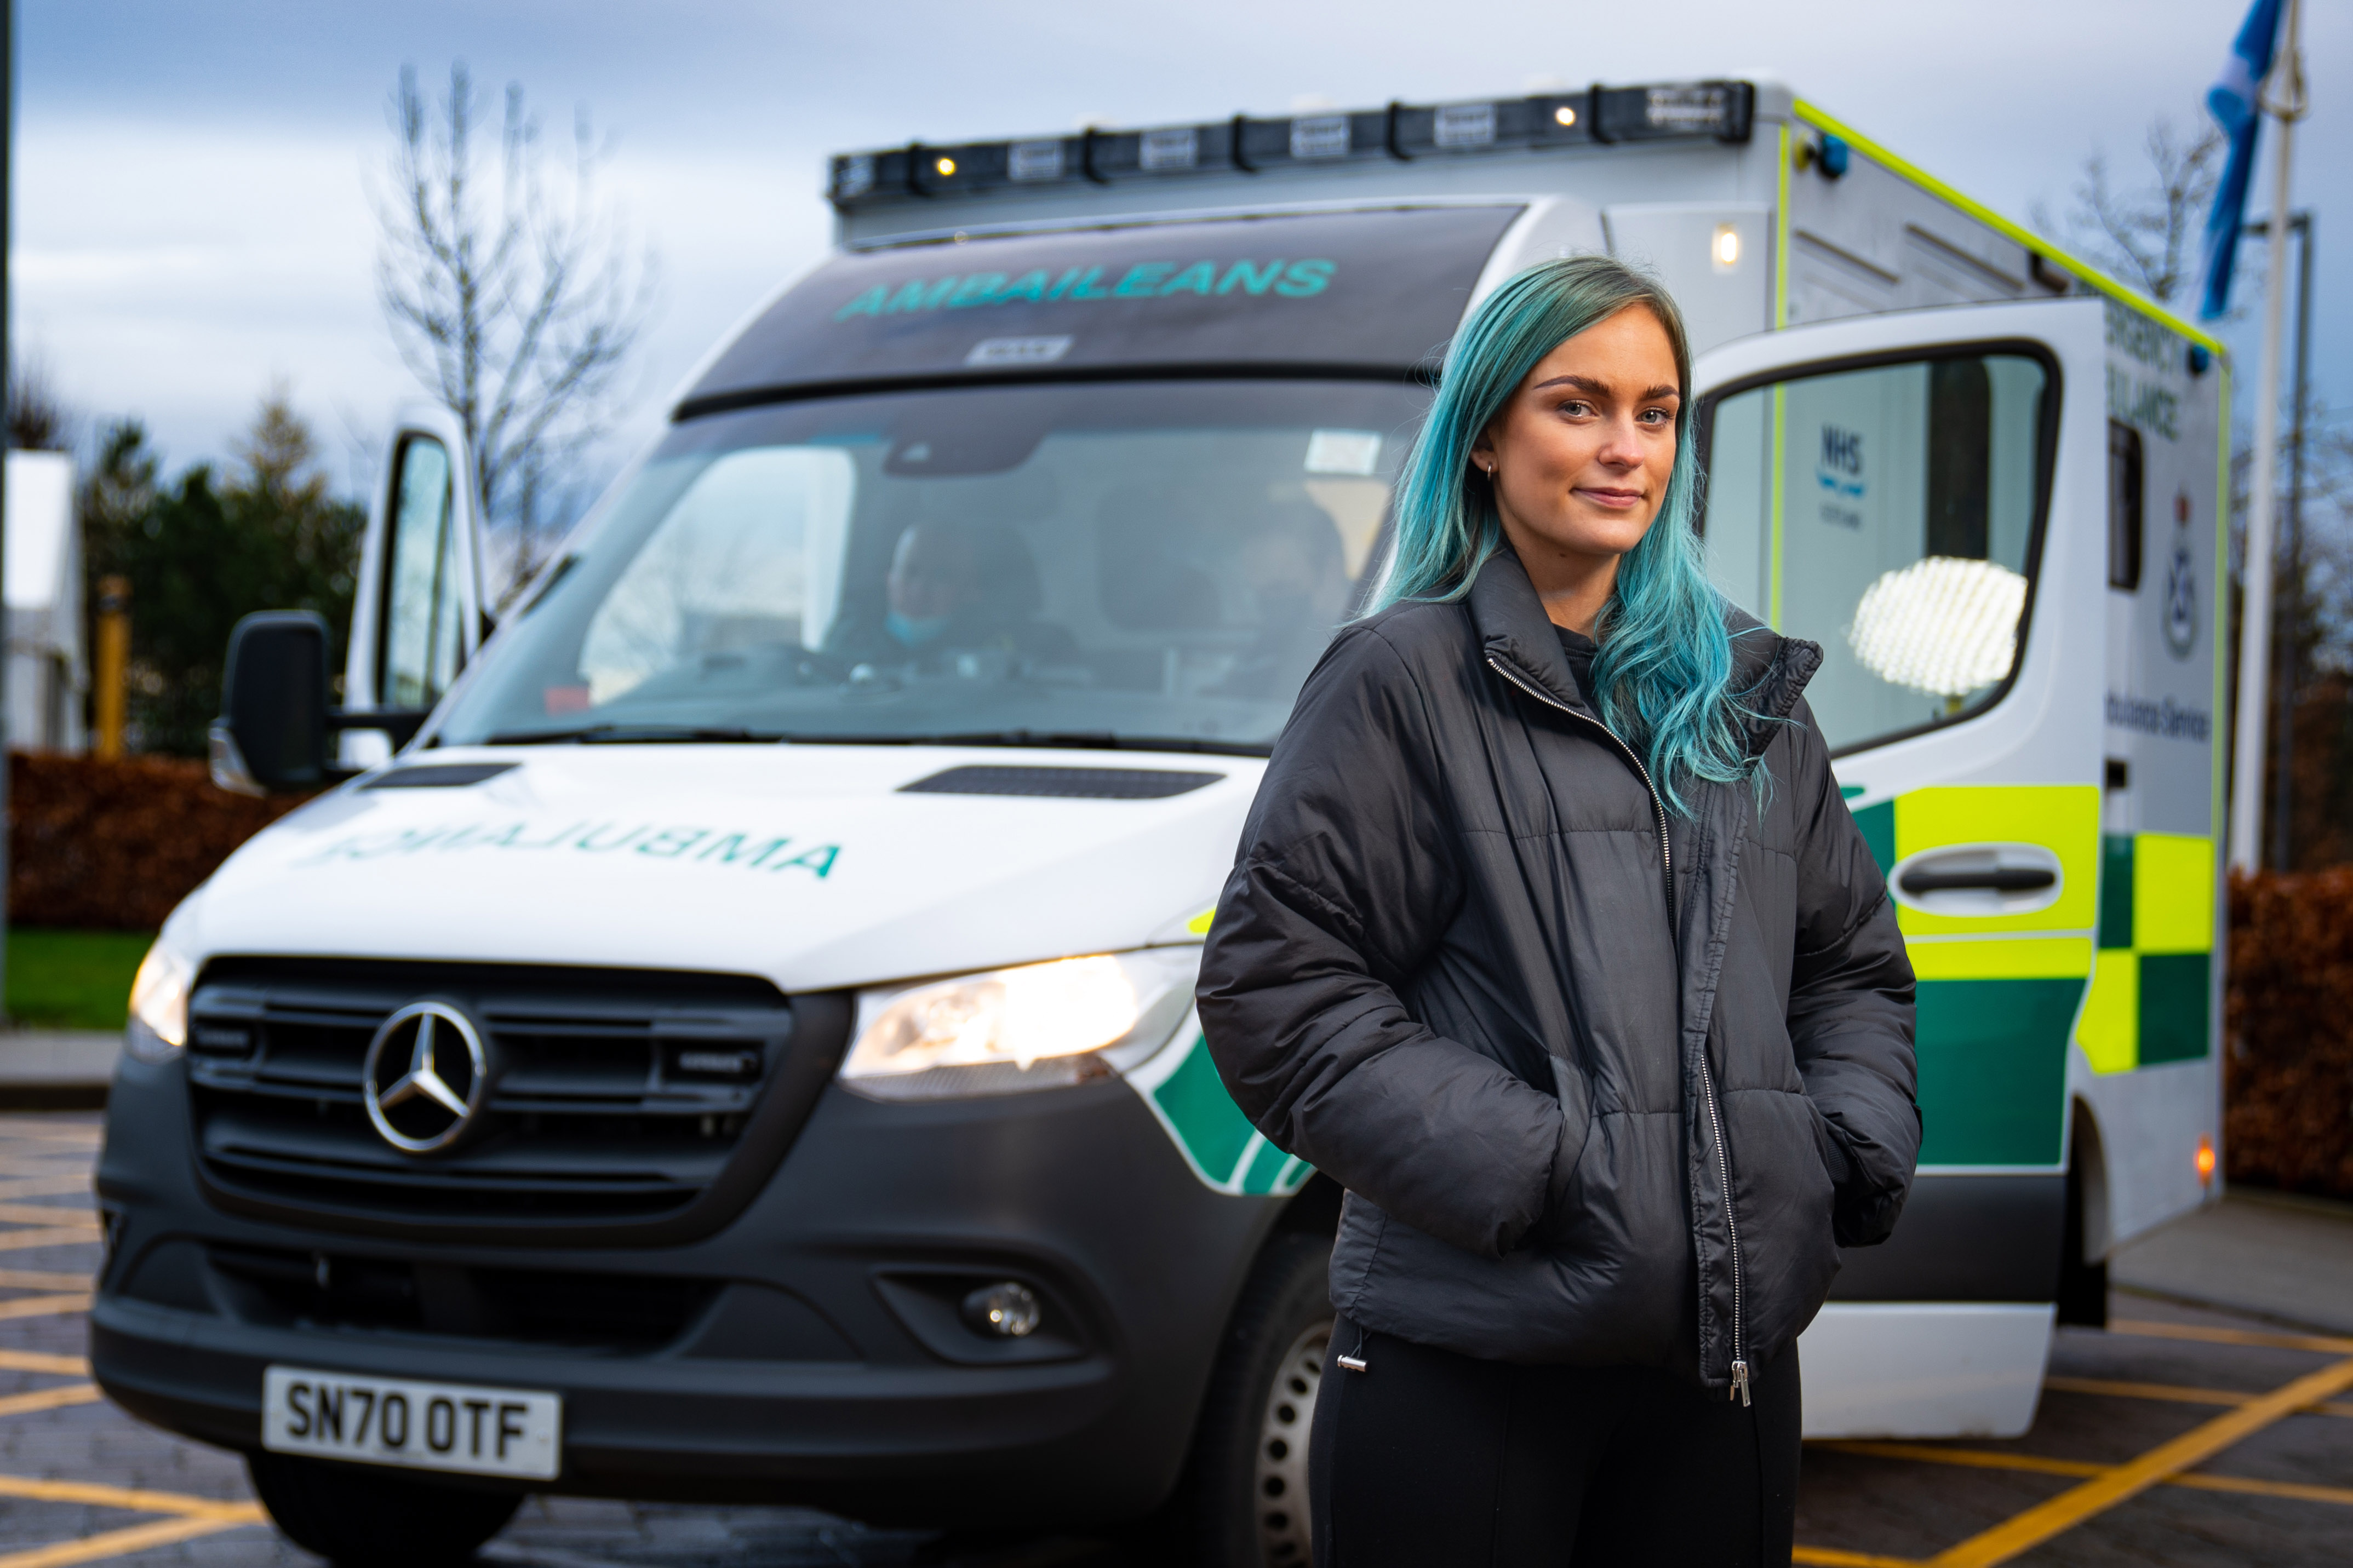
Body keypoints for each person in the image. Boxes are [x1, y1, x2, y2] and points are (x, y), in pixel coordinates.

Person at [1196, 255, 1920, 1566]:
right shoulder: (1398, 682)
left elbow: (1849, 971)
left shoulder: (1744, 698)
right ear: (1483, 434)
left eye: (1653, 413)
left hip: (1724, 1363)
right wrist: (1544, 1168)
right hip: (1470, 1350)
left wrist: (1831, 1154)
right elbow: (1277, 992)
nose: (1623, 448)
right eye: (1575, 406)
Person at [826, 516, 1073, 669]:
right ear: (889, 579)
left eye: (941, 577)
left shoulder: (1005, 653)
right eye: (910, 572)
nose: (920, 589)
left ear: (971, 591)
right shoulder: (847, 641)